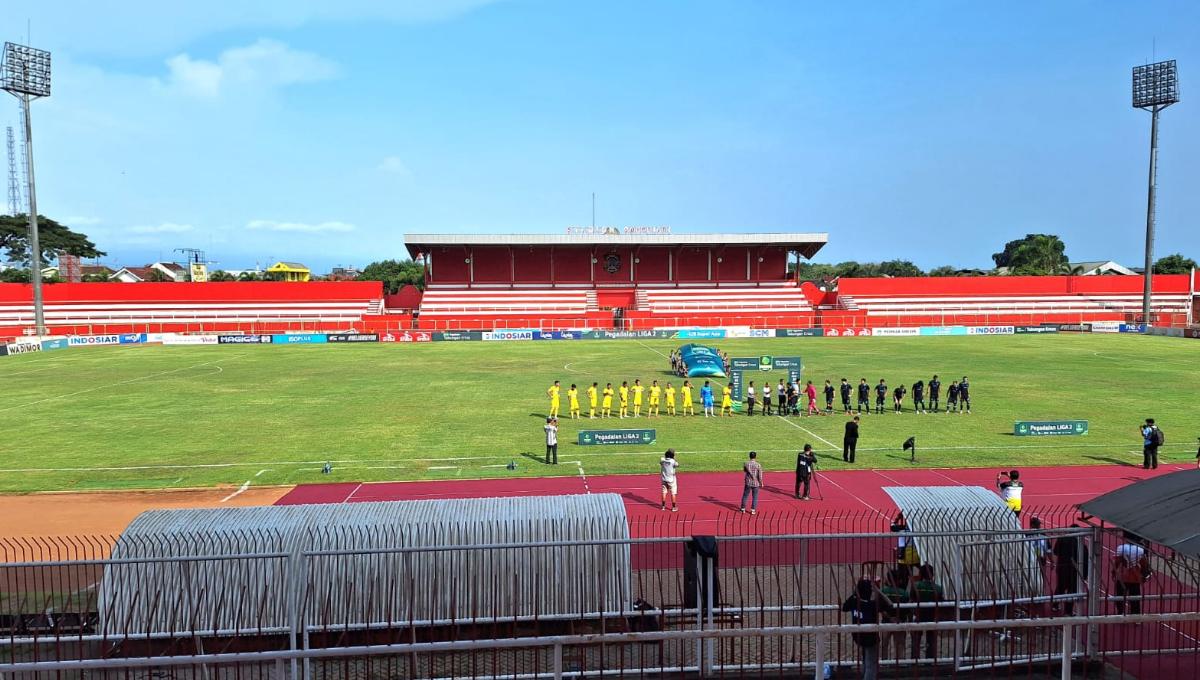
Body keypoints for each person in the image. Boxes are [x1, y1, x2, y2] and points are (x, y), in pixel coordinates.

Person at [842, 578, 895, 680]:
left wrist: (855, 593)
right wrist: (878, 591)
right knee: (871, 664)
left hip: (858, 636)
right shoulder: (872, 605)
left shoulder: (854, 601)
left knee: (865, 661)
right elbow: (890, 605)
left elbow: (844, 607)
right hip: (871, 638)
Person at [908, 564, 945, 660]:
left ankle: (915, 660)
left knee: (916, 640)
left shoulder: (916, 586)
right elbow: (941, 604)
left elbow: (911, 600)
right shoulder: (938, 588)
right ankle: (930, 660)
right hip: (932, 616)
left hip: (918, 615)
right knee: (931, 641)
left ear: (920, 574)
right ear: (932, 574)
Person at [1112, 533, 1152, 615]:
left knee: (1119, 597)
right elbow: (1144, 564)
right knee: (1135, 599)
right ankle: (1135, 615)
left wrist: (1113, 572)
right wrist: (1144, 575)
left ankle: (1120, 612)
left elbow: (1116, 562)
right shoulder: (1140, 550)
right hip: (1135, 577)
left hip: (1122, 577)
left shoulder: (1121, 548)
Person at [1052, 525, 1088, 615]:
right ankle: (1068, 611)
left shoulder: (1061, 539)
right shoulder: (1081, 544)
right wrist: (1084, 574)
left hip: (1062, 567)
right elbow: (1085, 559)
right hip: (1074, 570)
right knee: (1072, 590)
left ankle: (1055, 604)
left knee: (1060, 587)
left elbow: (1055, 552)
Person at [879, 568, 910, 662]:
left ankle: (884, 662)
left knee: (884, 645)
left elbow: (880, 608)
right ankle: (899, 663)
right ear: (899, 580)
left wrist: (889, 617)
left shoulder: (883, 591)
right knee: (900, 645)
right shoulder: (904, 593)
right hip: (900, 621)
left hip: (886, 622)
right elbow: (907, 609)